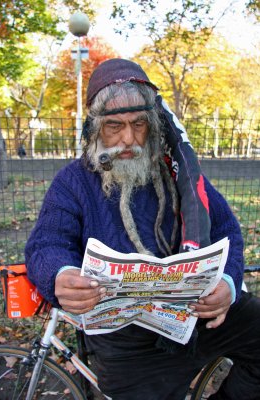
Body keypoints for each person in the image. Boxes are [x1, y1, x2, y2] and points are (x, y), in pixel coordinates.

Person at [25, 58, 260, 400]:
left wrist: (228, 283)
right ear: (95, 128)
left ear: (153, 124)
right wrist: (60, 275)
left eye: (139, 124)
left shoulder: (179, 174)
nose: (128, 139)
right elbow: (47, 243)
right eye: (114, 126)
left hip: (200, 319)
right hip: (127, 341)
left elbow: (227, 232)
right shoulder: (73, 182)